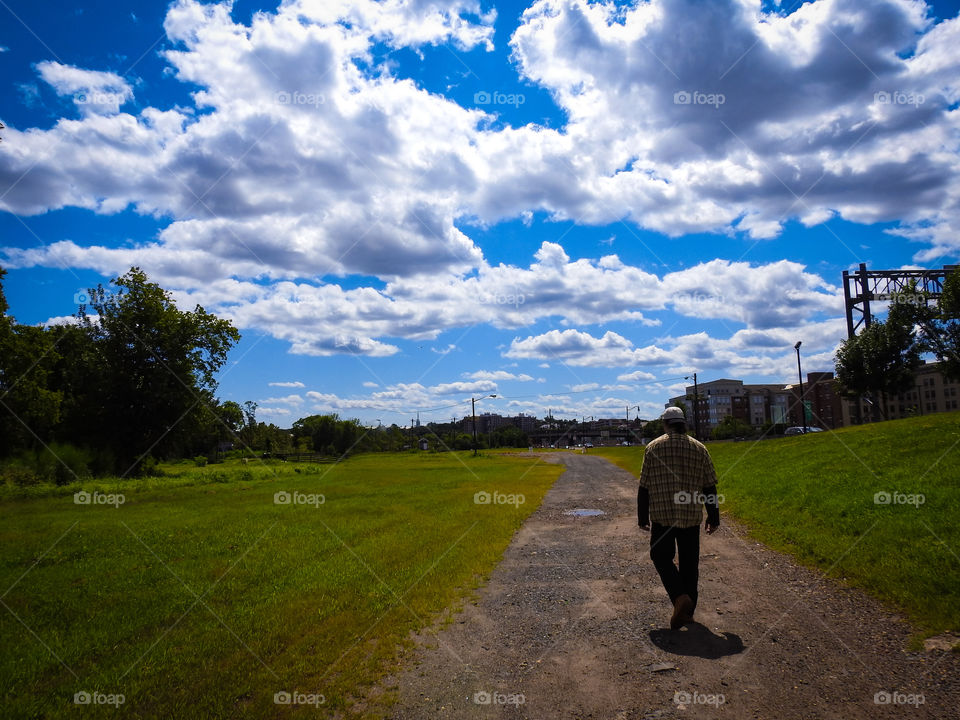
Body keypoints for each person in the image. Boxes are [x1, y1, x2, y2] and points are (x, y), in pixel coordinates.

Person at [637, 407, 720, 630]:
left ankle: (679, 597)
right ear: (684, 423)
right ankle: (688, 613)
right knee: (689, 564)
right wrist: (714, 516)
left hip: (663, 516)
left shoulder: (653, 447)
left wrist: (642, 516)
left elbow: (644, 486)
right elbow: (709, 486)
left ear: (665, 424)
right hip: (691, 515)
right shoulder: (699, 448)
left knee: (660, 556)